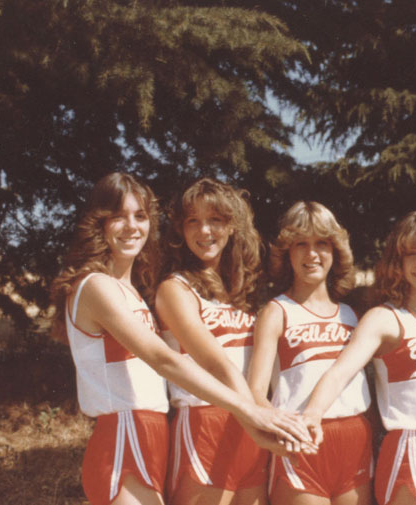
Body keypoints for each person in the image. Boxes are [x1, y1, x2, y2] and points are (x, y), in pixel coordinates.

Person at [50, 173, 313, 505]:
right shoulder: (96, 286)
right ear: (98, 222)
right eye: (118, 216)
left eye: (140, 216)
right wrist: (252, 410)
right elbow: (165, 360)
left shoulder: (130, 290)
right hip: (125, 432)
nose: (131, 226)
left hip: (152, 432)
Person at [301, 210, 416, 505]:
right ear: (397, 262)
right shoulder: (383, 319)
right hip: (411, 447)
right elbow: (339, 373)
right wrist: (311, 414)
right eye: (412, 254)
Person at [156, 178, 297, 505]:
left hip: (250, 427)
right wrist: (255, 412)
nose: (204, 231)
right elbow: (214, 363)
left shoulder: (241, 293)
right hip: (205, 424)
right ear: (181, 230)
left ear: (232, 226)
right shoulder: (175, 289)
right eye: (193, 221)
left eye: (214, 220)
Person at [247, 201, 374, 505]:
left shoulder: (352, 316)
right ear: (286, 252)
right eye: (300, 244)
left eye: (321, 243)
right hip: (301, 442)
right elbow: (255, 393)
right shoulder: (276, 312)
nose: (312, 254)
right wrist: (282, 430)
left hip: (355, 439)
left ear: (336, 251)